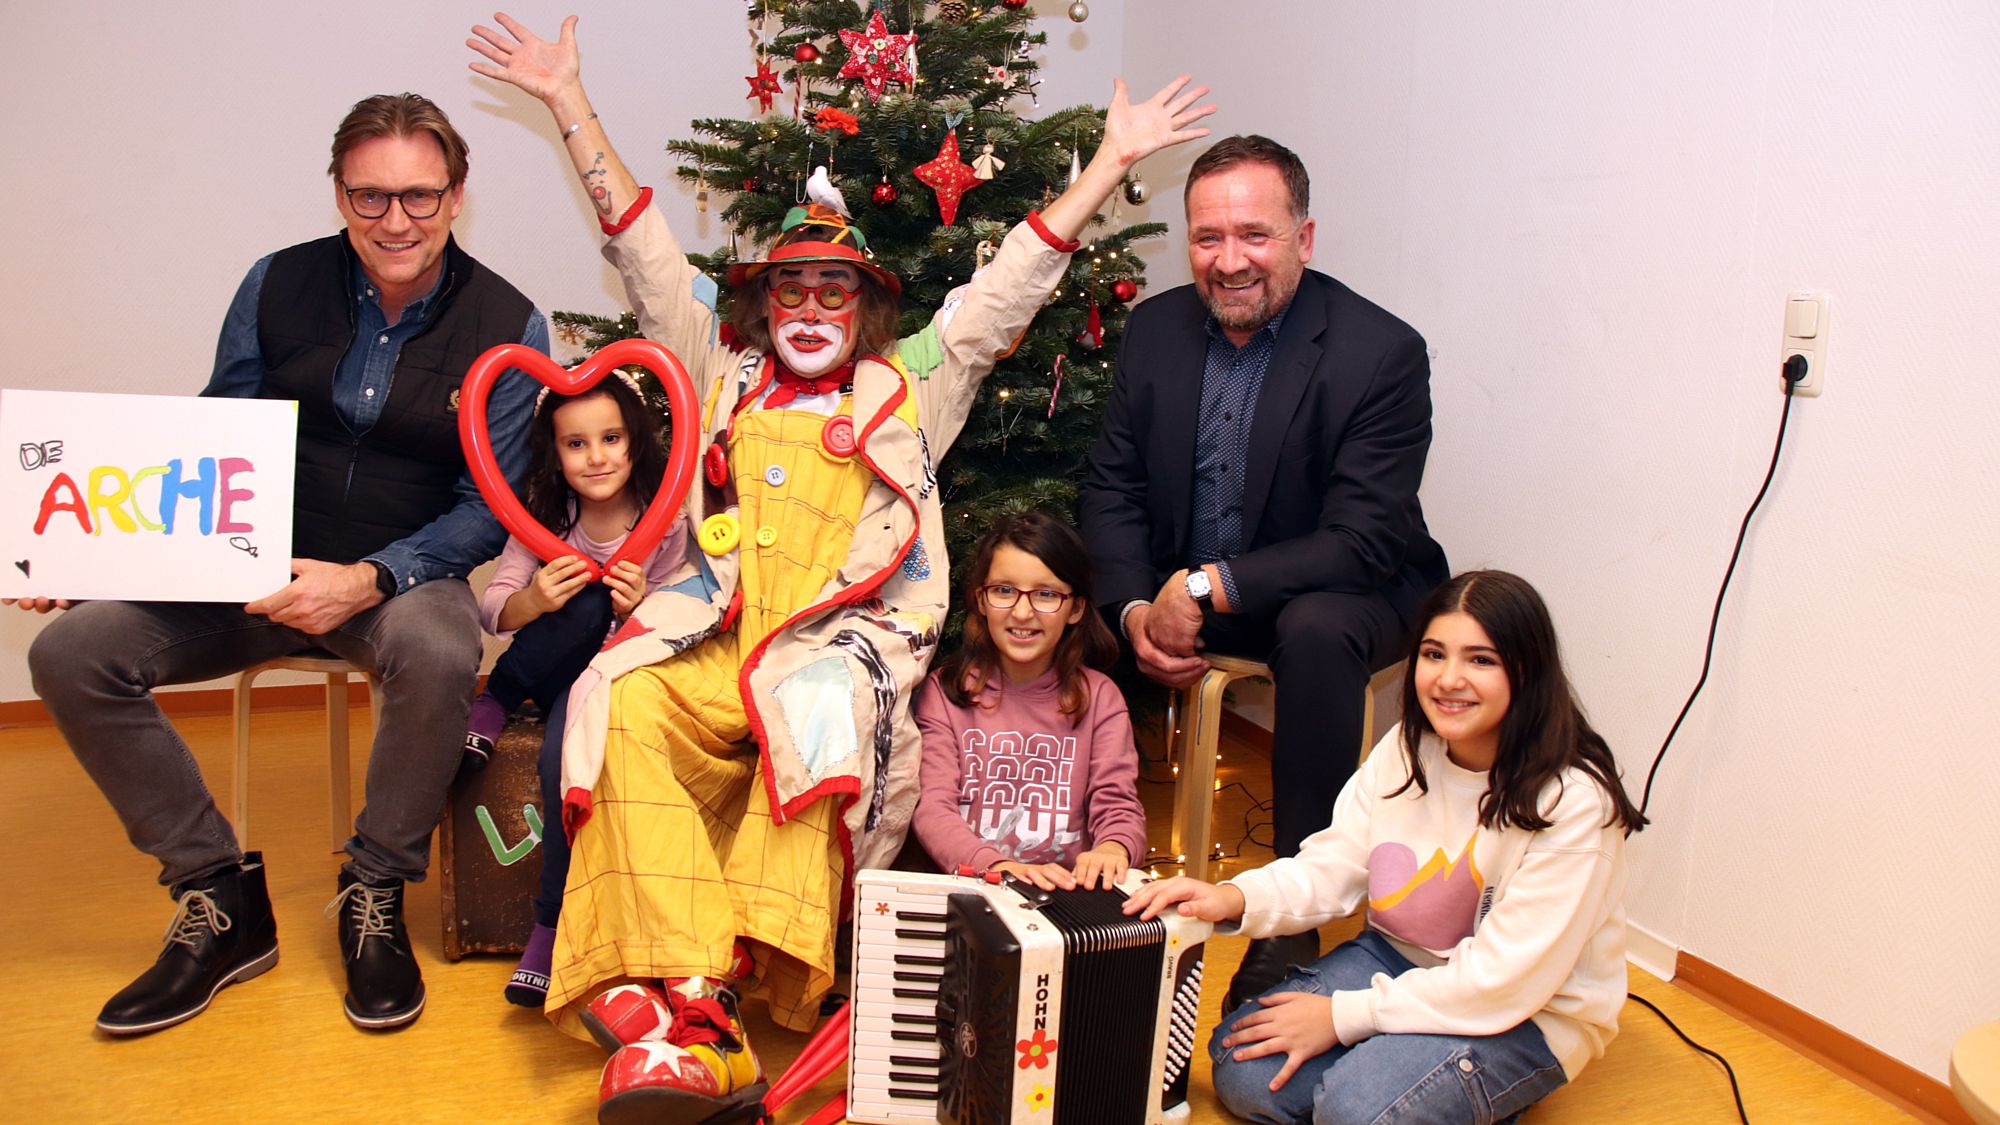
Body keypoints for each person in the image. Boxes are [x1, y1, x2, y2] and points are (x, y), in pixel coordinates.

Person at [467, 12, 1212, 1121]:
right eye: (789, 292)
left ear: (862, 310)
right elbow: (639, 244)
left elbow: (1008, 288)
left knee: (815, 708)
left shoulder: (908, 390)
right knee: (613, 694)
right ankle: (676, 982)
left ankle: (724, 988)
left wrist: (1106, 161)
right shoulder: (720, 370)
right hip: (719, 629)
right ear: (761, 306)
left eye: (832, 293)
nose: (809, 310)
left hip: (829, 647)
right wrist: (568, 103)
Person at [12, 93, 545, 1035]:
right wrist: (86, 551)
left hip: (397, 586)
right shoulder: (274, 283)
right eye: (369, 196)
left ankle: (372, 890)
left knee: (439, 642)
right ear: (339, 193)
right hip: (247, 570)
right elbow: (211, 444)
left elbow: (483, 511)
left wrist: (369, 577)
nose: (396, 221)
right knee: (71, 649)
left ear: (458, 195)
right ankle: (219, 899)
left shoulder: (510, 324)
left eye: (420, 197)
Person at [1078, 133, 1450, 1011]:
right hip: (1185, 590)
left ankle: (1290, 927)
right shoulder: (1156, 330)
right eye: (1208, 237)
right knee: (1057, 609)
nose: (1229, 260)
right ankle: (1084, 882)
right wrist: (1135, 611)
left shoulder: (1380, 352)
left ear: (1304, 238)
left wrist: (1203, 588)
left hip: (1355, 584)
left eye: (1255, 234)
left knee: (1316, 628)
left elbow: (1361, 538)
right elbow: (1112, 486)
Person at [1125, 570, 1646, 1125]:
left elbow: (1503, 980)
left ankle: (1445, 1086)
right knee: (1240, 1066)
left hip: (1525, 1009)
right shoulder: (1408, 745)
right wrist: (1231, 897)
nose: (1449, 679)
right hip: (1397, 960)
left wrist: (1344, 1017)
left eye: (1481, 660)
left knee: (1356, 1109)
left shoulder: (1575, 801)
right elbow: (1335, 864)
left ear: (1528, 669)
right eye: (1433, 653)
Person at [460, 374, 688, 1007]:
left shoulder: (663, 520)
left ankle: (549, 925)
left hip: (610, 677)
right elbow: (494, 607)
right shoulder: (547, 515)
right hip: (545, 662)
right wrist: (531, 600)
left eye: (611, 438)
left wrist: (643, 607)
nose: (597, 457)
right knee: (583, 604)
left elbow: (686, 613)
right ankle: (494, 700)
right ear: (555, 454)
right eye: (577, 444)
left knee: (563, 761)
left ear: (636, 442)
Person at [912, 510, 1147, 892]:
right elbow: (932, 808)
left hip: (1068, 897)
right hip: (972, 890)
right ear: (981, 601)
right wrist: (996, 866)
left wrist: (1114, 847)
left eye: (1046, 594)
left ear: (1076, 608)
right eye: (1004, 590)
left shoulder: (1101, 698)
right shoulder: (944, 692)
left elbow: (1117, 802)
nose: (1023, 612)